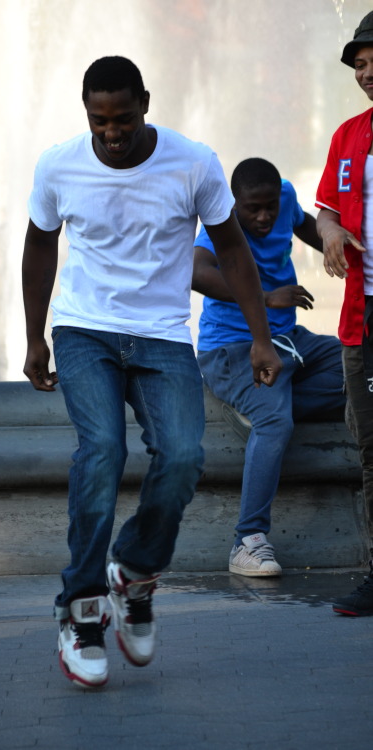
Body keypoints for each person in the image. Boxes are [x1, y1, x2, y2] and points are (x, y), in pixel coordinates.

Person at [22, 56, 282, 688]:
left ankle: (133, 575)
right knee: (104, 449)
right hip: (84, 330)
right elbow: (38, 244)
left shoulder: (192, 162)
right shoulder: (58, 164)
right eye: (99, 120)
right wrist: (34, 338)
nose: (112, 132)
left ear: (145, 101)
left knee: (185, 455)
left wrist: (260, 337)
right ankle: (81, 612)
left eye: (124, 118)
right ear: (86, 111)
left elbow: (232, 251)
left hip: (162, 335)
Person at [192, 158, 345, 578]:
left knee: (356, 367)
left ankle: (260, 408)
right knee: (277, 423)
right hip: (232, 350)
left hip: (288, 341)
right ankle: (248, 540)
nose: (263, 217)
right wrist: (265, 296)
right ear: (234, 203)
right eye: (252, 209)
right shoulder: (221, 221)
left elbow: (301, 224)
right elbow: (197, 271)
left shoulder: (286, 199)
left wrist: (341, 245)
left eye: (269, 207)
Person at [315, 11, 373, 616]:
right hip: (362, 316)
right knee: (371, 447)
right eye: (360, 65)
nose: (366, 73)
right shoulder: (348, 134)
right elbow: (327, 207)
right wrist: (330, 231)